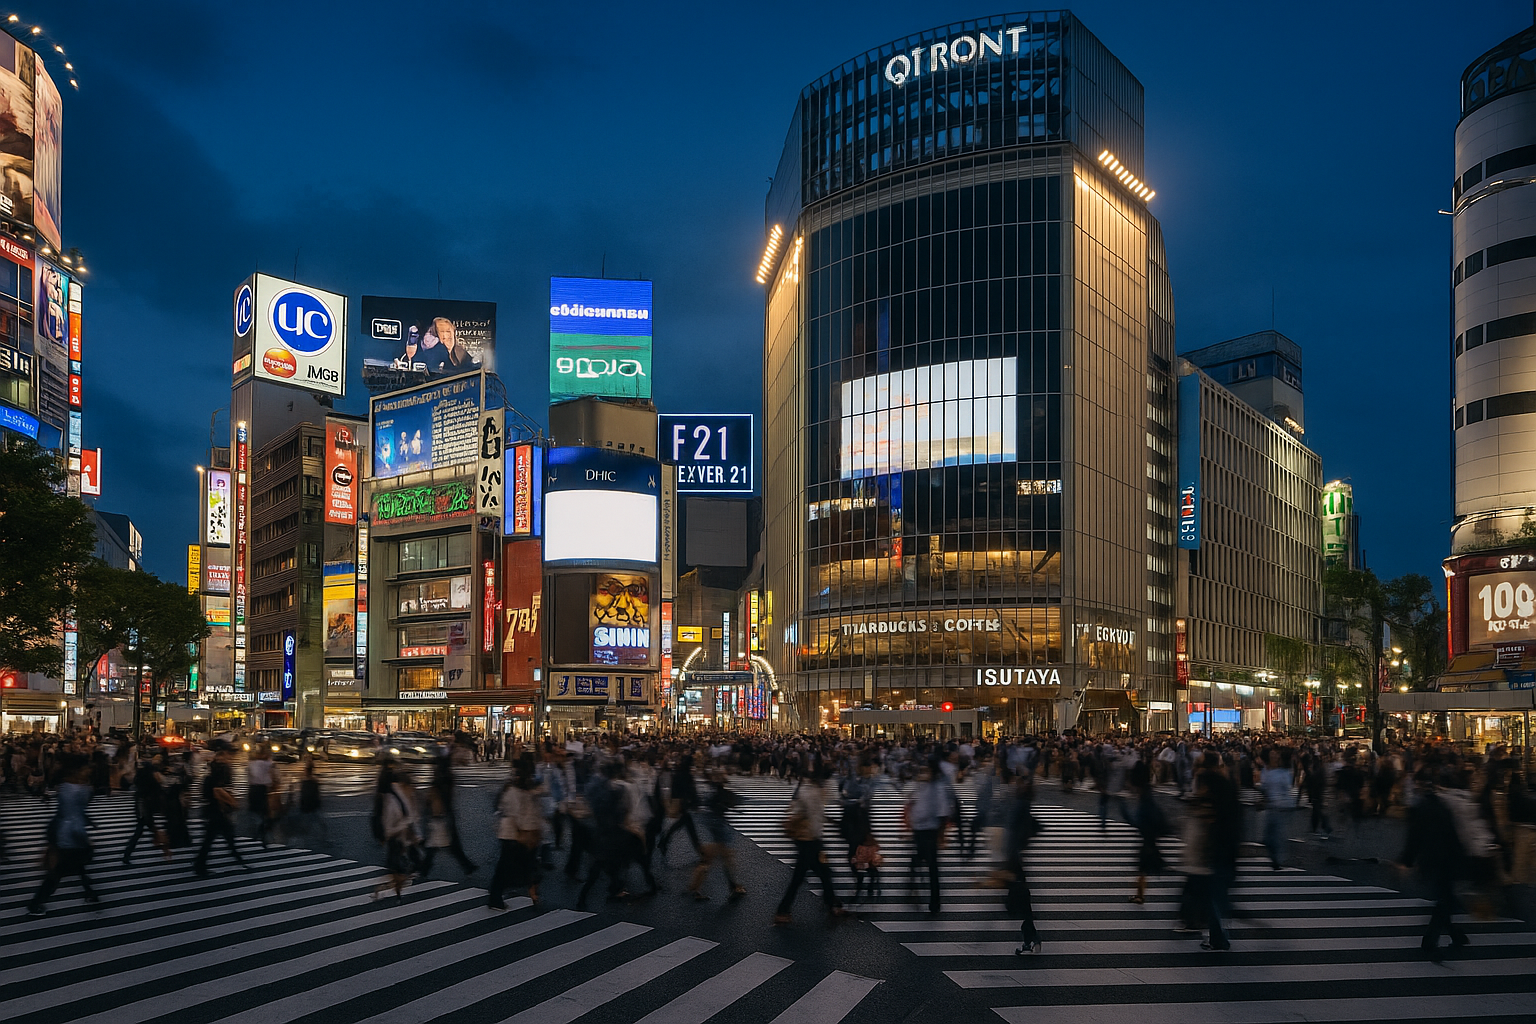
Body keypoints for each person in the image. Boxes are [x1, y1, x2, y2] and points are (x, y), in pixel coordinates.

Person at [1399, 768, 1471, 960]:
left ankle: (1438, 939)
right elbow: (1453, 835)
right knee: (1446, 900)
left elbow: (1414, 837)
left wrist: (1406, 860)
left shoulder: (1424, 808)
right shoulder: (1442, 806)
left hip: (1432, 860)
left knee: (1445, 900)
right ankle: (1439, 939)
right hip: (1447, 858)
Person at [773, 765, 847, 925]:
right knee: (802, 876)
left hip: (806, 840)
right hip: (810, 840)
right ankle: (782, 910)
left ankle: (832, 903)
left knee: (824, 872)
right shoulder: (813, 793)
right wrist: (818, 838)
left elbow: (810, 812)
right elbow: (813, 817)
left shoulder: (806, 789)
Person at [27, 756, 98, 917]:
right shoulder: (80, 789)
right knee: (61, 870)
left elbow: (71, 812)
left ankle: (90, 893)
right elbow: (74, 814)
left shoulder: (66, 786)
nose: (89, 771)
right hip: (71, 835)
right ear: (78, 770)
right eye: (86, 769)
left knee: (77, 866)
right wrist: (83, 836)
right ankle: (35, 904)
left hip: (63, 831)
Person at [489, 754, 546, 909]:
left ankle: (500, 895)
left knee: (520, 865)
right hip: (513, 834)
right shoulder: (515, 790)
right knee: (511, 867)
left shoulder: (520, 789)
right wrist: (524, 832)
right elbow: (515, 813)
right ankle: (498, 896)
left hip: (518, 833)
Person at [192, 740, 248, 878]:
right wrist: (233, 803)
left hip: (214, 808)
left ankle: (237, 857)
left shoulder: (215, 767)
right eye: (229, 754)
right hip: (216, 809)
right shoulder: (221, 769)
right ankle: (200, 865)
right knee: (212, 838)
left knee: (223, 835)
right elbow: (218, 790)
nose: (231, 757)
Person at [906, 757, 954, 915]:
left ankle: (935, 902)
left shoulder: (937, 789)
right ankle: (912, 886)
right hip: (919, 829)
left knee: (932, 867)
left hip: (930, 831)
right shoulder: (921, 786)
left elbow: (943, 813)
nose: (923, 773)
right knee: (917, 859)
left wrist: (942, 836)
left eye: (926, 771)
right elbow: (912, 801)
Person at [689, 771, 746, 901]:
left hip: (715, 827)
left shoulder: (713, 790)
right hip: (718, 828)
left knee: (724, 858)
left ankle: (732, 885)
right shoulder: (719, 792)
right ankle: (694, 889)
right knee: (715, 859)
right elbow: (733, 802)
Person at [376, 770, 421, 900]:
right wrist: (406, 826)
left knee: (401, 874)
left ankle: (392, 894)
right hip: (395, 843)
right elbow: (389, 829)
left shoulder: (405, 799)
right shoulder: (393, 801)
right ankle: (384, 891)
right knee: (401, 875)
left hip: (402, 842)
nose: (412, 790)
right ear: (402, 785)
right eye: (409, 786)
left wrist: (415, 836)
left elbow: (412, 818)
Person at [1129, 759, 1168, 904]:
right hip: (1149, 838)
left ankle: (1140, 895)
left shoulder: (1145, 798)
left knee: (1143, 865)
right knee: (1143, 867)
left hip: (1148, 839)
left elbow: (1142, 820)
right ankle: (1139, 893)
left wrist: (1127, 815)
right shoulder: (1146, 794)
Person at [122, 753, 170, 864]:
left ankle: (163, 848)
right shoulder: (152, 773)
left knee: (145, 829)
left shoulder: (143, 772)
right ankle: (164, 849)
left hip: (143, 804)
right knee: (144, 829)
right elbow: (160, 784)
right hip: (145, 806)